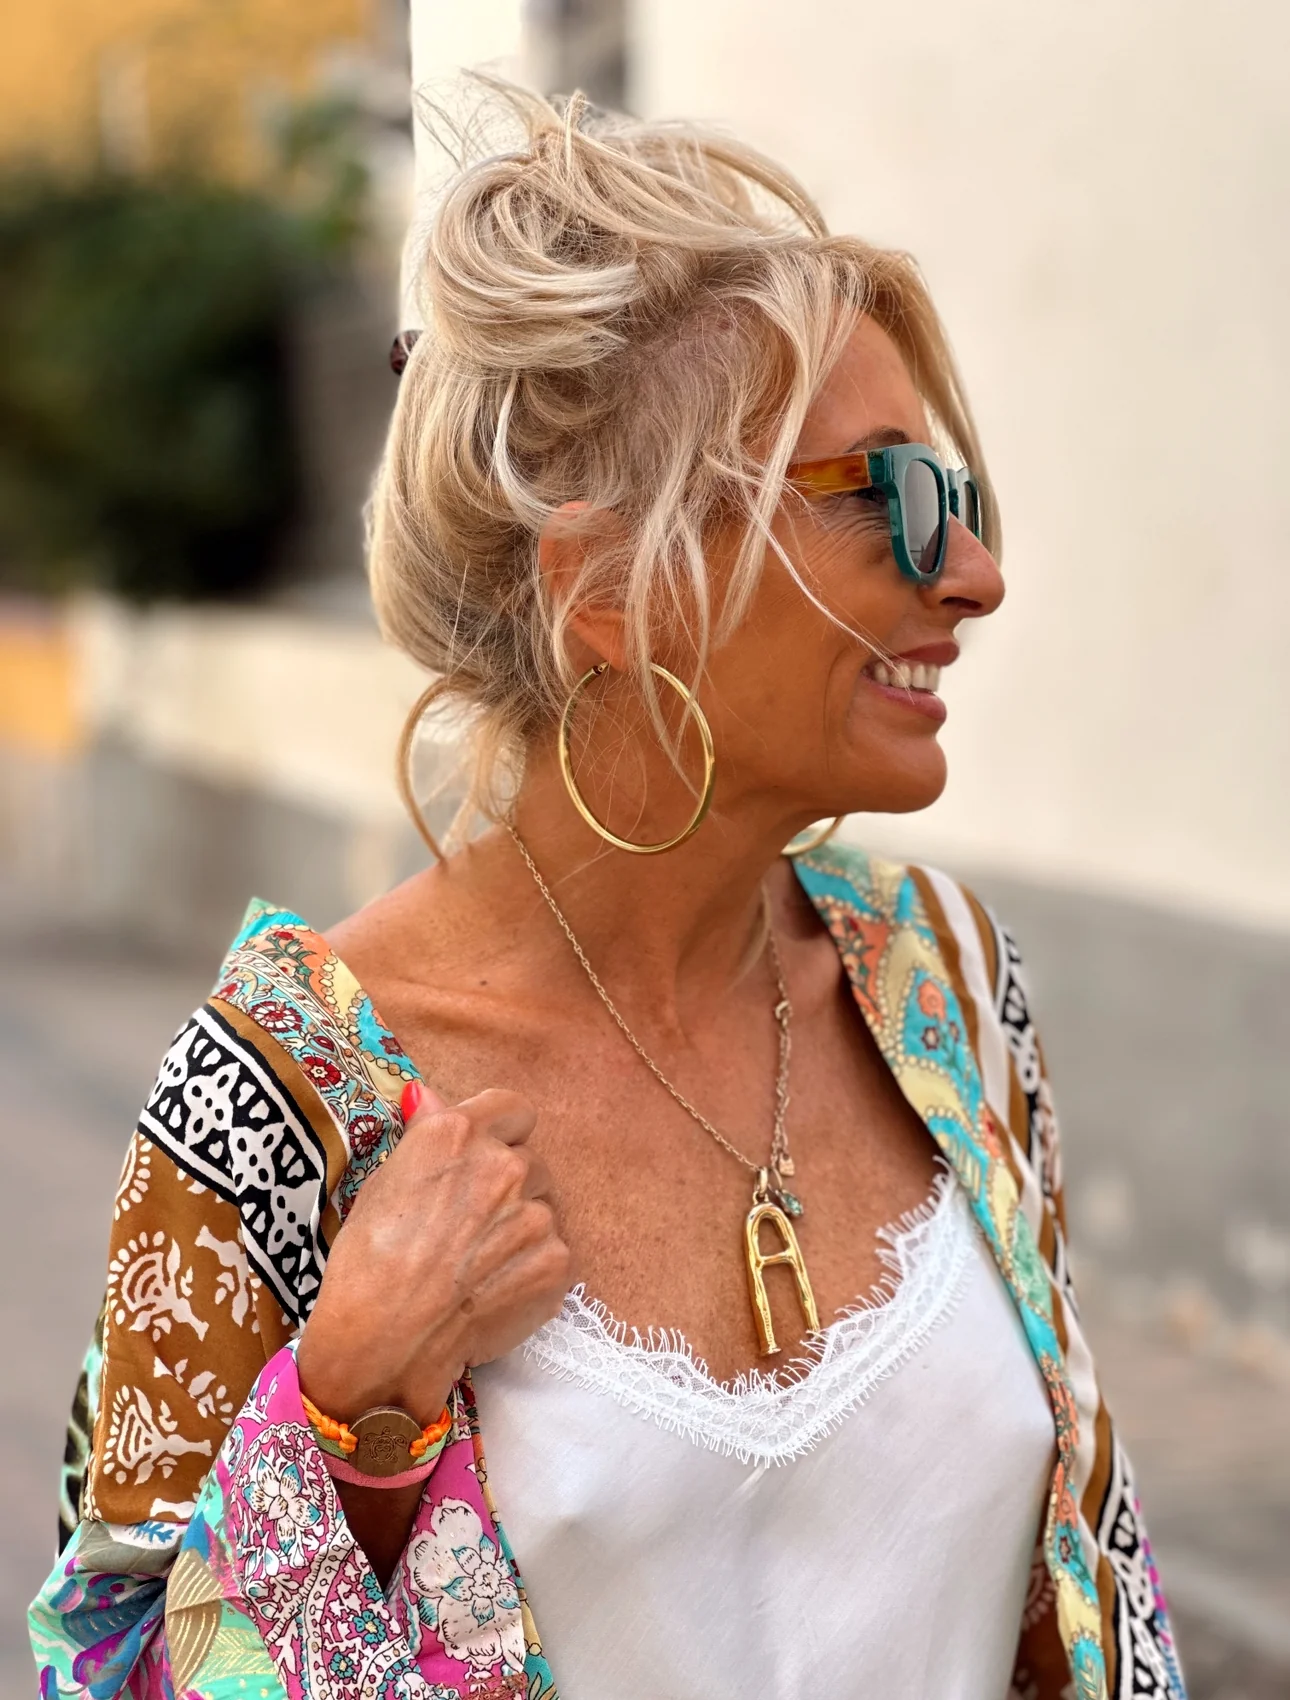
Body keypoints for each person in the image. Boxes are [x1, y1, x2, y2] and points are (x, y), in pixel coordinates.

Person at [31, 82, 1186, 1700]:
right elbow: (116, 1668)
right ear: (608, 590)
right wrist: (348, 1419)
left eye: (963, 501)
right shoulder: (282, 1096)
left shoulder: (944, 988)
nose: (975, 577)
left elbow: (1083, 1599)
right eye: (896, 499)